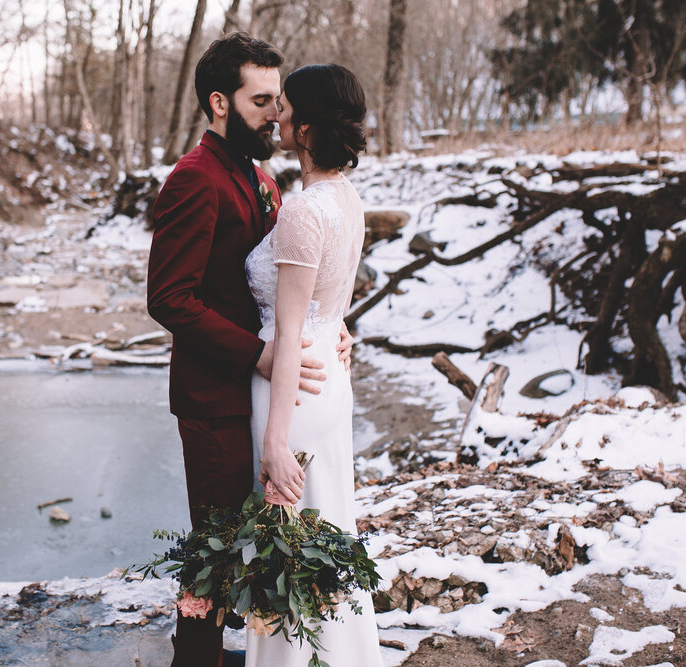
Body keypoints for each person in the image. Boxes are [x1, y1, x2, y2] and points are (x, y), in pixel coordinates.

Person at [147, 34, 352, 667]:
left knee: (263, 547)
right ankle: (195, 660)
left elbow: (285, 279)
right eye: (262, 99)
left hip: (265, 397)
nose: (276, 113)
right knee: (210, 557)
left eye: (279, 99)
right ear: (219, 103)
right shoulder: (194, 179)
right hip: (214, 398)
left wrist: (330, 324)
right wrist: (260, 355)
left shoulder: (261, 176)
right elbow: (170, 298)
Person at [244, 64, 383, 666]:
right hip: (327, 380)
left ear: (307, 127)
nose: (276, 114)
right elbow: (331, 296)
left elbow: (290, 327)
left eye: (286, 106)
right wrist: (341, 326)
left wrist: (275, 442)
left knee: (288, 555)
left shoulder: (303, 209)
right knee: (326, 536)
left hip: (293, 393)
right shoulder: (345, 198)